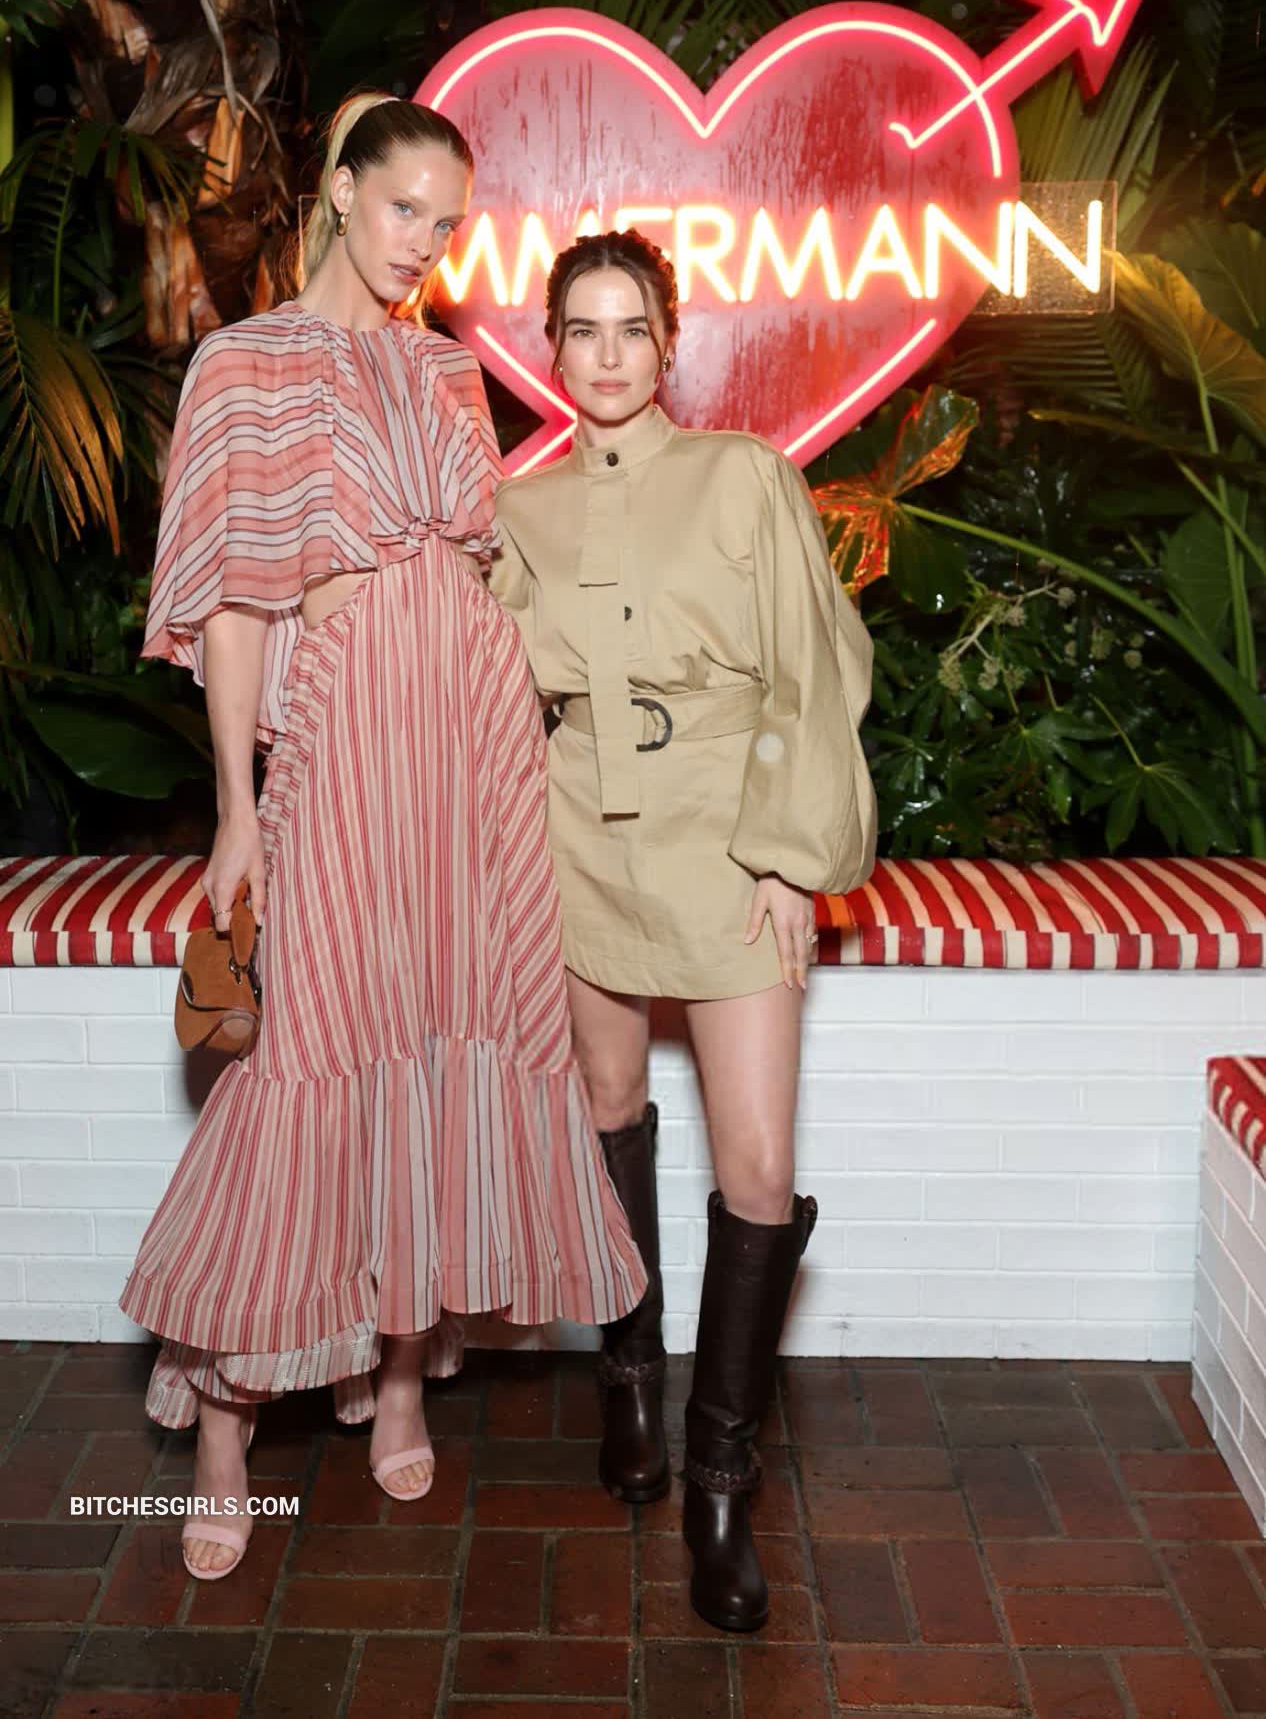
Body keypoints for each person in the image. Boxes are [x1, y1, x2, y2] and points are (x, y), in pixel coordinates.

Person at [121, 100, 645, 1583]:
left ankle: (403, 1373)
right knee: (304, 1067)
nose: (425, 242)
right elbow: (234, 603)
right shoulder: (242, 363)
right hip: (338, 752)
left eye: (449, 222)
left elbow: (479, 569)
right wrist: (238, 808)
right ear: (342, 192)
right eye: (405, 207)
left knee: (442, 1045)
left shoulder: (445, 368)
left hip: (469, 755)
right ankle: (225, 1425)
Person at [489, 229, 877, 1633]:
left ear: (669, 342)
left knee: (758, 1169)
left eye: (631, 328)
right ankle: (629, 1387)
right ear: (549, 346)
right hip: (575, 837)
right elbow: (476, 688)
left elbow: (816, 669)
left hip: (726, 836)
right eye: (580, 329)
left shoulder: (744, 477)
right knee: (605, 1111)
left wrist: (788, 863)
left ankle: (722, 1483)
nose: (606, 355)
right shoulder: (518, 510)